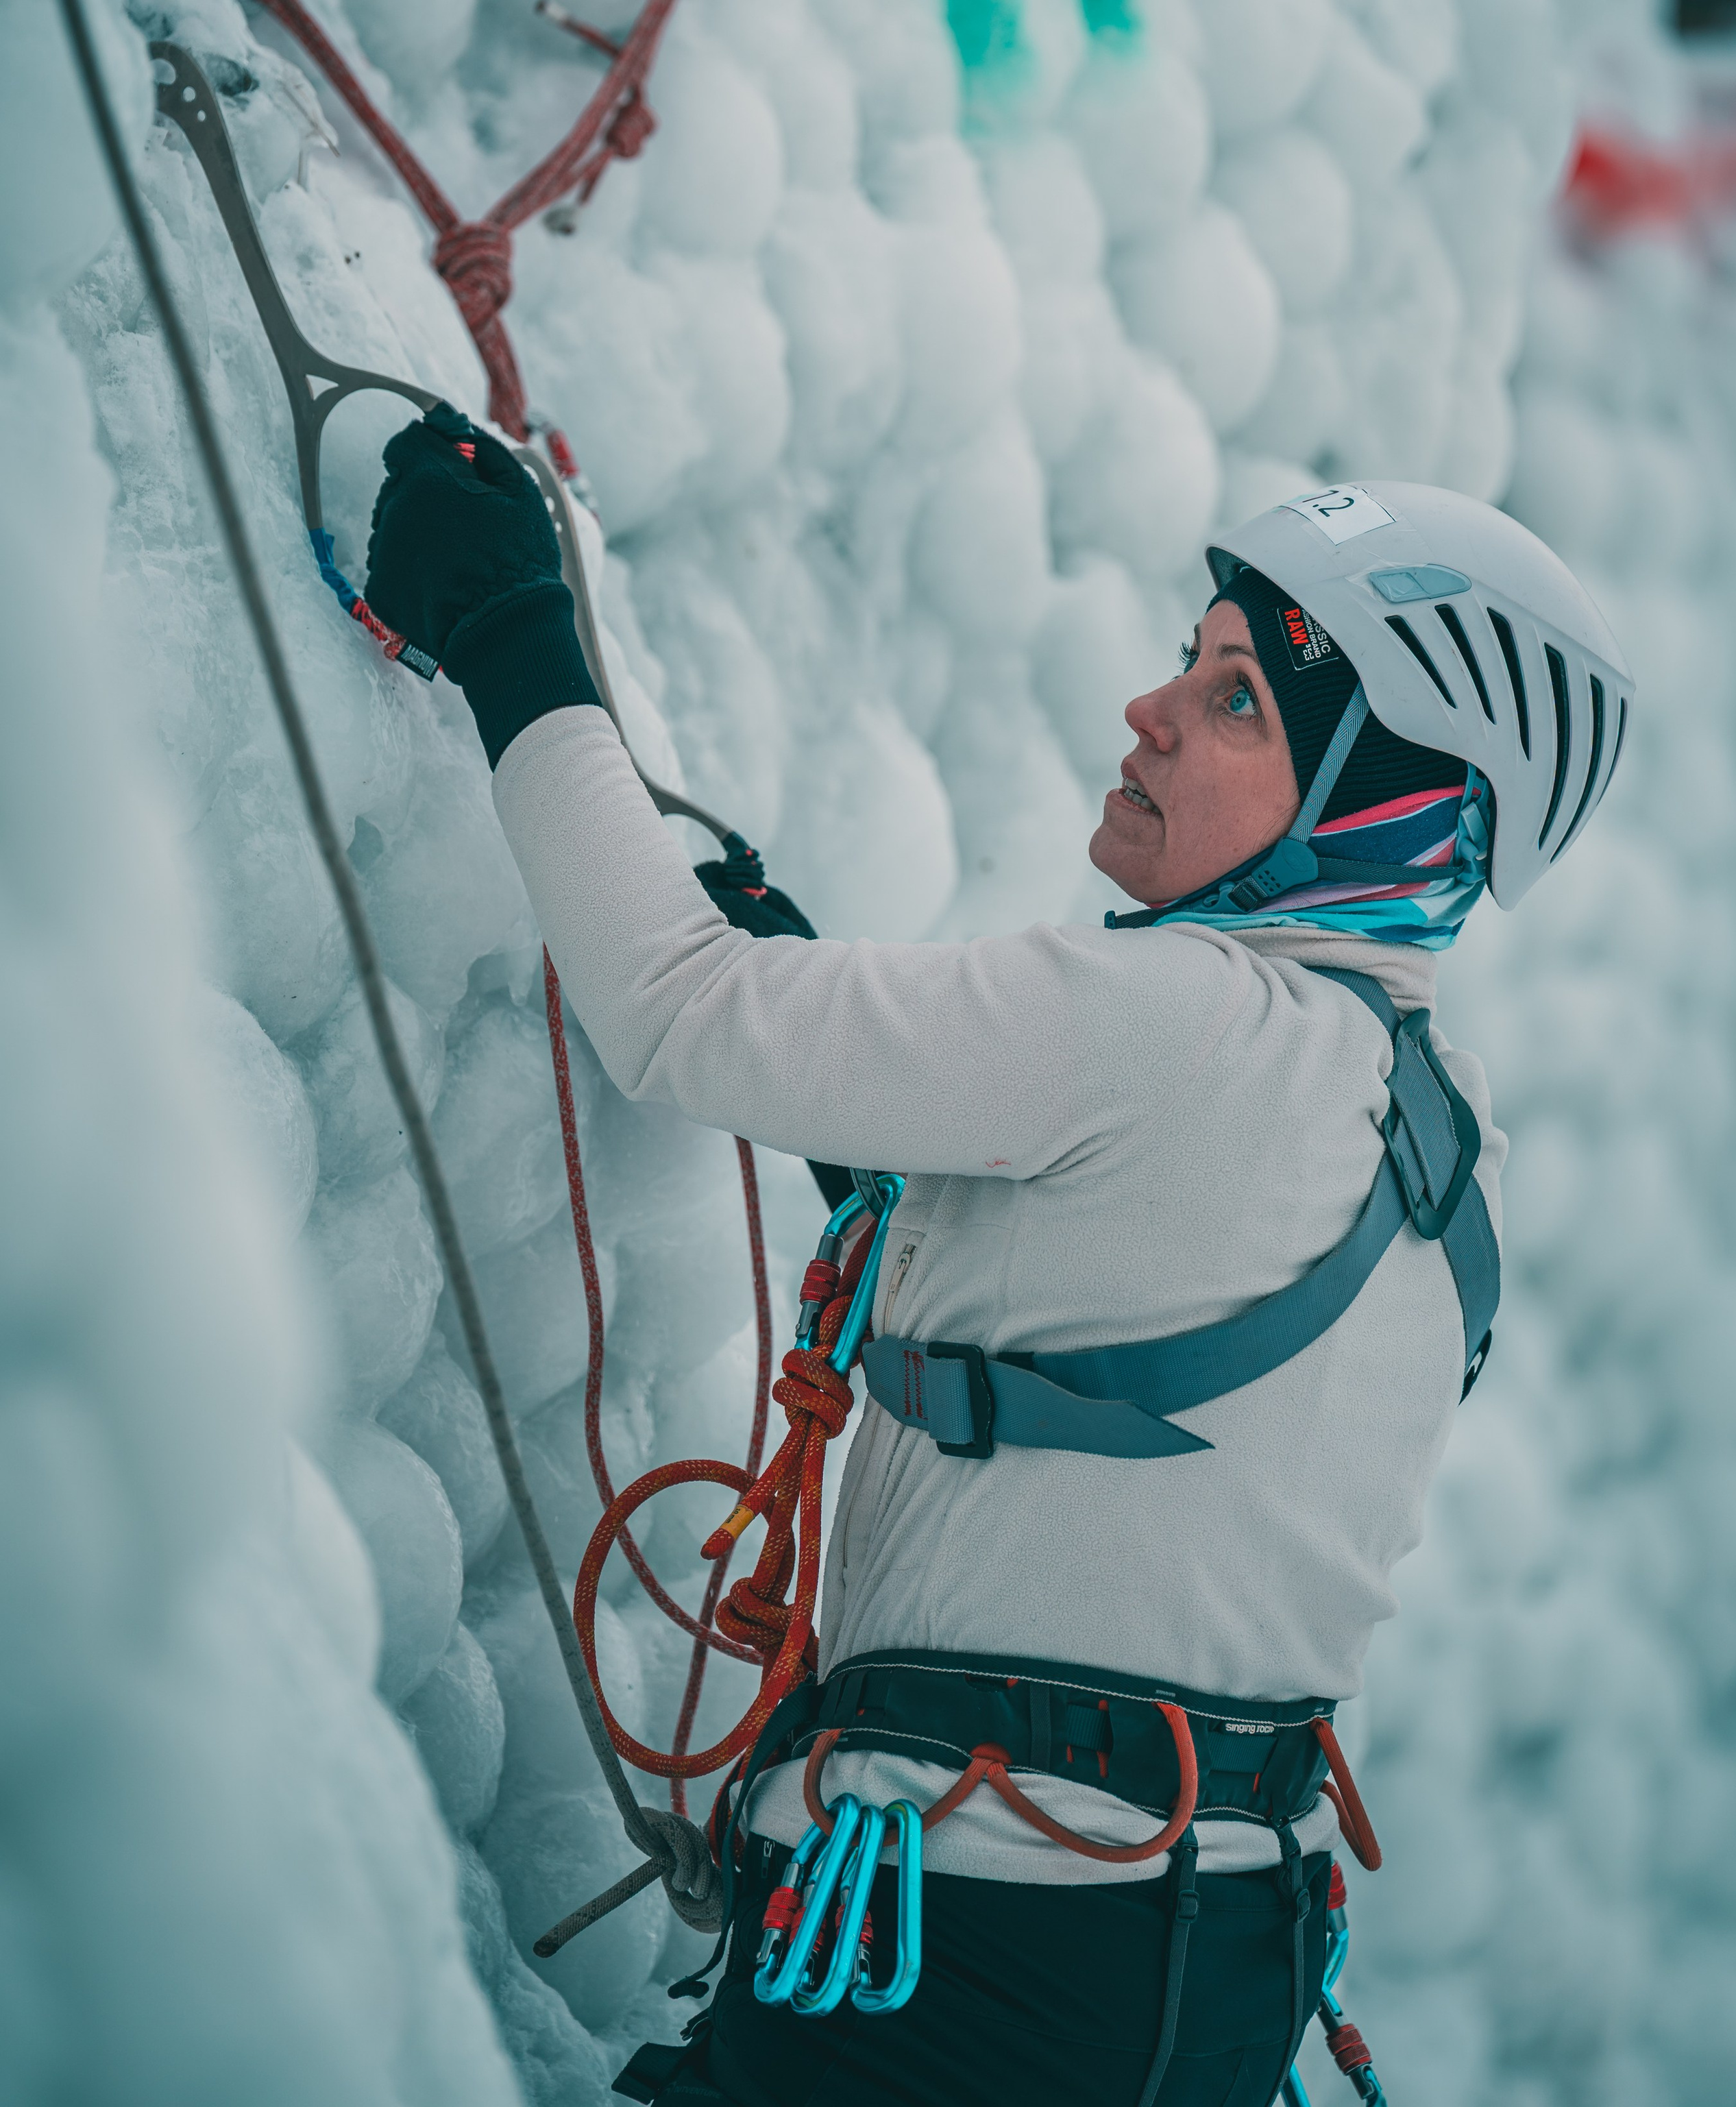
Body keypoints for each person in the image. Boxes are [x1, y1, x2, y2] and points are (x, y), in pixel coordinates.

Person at [365, 424, 1633, 2107]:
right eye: (1192, 665)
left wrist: (511, 620)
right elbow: (1133, 1307)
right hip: (1208, 1970)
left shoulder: (1166, 1023)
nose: (1153, 713)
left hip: (955, 1959)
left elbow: (674, 1010)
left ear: (1381, 807)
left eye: (1240, 699)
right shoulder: (1438, 1139)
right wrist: (878, 1125)